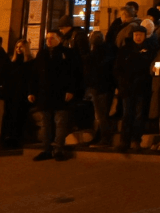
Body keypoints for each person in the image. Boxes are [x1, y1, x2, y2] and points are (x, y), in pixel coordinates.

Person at [30, 30, 78, 161]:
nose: (49, 40)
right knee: (46, 123)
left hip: (61, 93)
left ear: (60, 39)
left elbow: (73, 74)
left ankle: (58, 149)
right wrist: (32, 91)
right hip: (45, 93)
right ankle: (46, 149)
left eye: (52, 38)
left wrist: (71, 90)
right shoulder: (42, 53)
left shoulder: (68, 54)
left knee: (60, 122)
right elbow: (35, 74)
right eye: (47, 38)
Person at [114, 26, 154, 152]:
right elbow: (118, 69)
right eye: (136, 34)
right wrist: (122, 84)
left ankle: (136, 140)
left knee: (139, 115)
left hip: (142, 88)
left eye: (140, 35)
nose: (138, 37)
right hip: (128, 88)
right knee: (127, 114)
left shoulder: (150, 49)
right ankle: (124, 141)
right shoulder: (125, 49)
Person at [84, 31, 116, 148]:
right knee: (102, 114)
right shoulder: (109, 52)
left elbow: (90, 73)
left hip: (99, 88)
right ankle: (100, 136)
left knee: (101, 115)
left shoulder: (94, 55)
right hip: (106, 87)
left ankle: (105, 138)